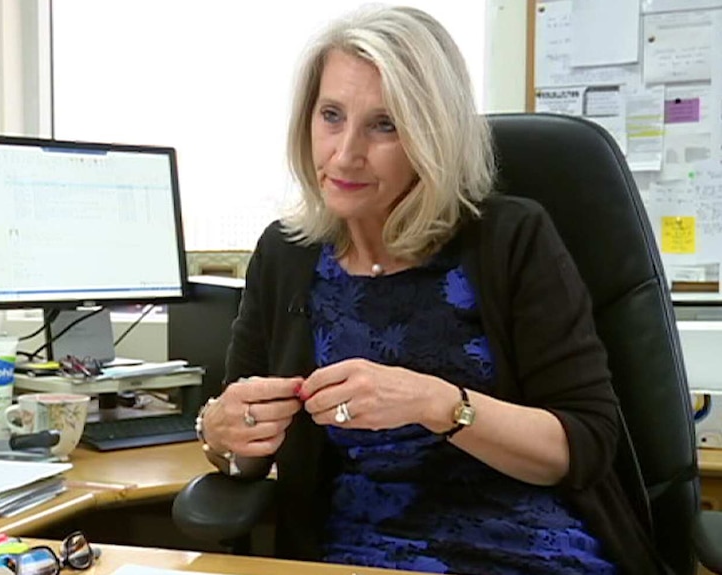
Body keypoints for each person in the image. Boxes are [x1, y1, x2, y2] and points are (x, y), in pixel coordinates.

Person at [196, 5, 665, 575]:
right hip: (356, 556)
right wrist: (223, 438)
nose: (345, 154)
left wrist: (437, 404)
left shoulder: (510, 239)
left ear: (433, 135)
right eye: (332, 116)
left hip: (527, 550)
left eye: (384, 125)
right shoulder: (284, 255)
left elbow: (584, 445)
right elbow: (242, 448)